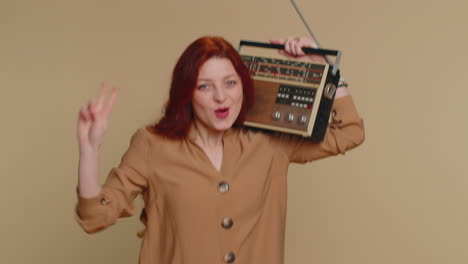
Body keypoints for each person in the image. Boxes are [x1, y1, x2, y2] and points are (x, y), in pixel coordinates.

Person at [75, 36, 364, 264]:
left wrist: (322, 67)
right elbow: (95, 216)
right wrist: (90, 150)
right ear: (186, 93)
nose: (221, 97)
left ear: (244, 86)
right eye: (205, 86)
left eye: (230, 83)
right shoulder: (152, 144)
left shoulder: (268, 141)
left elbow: (349, 132)